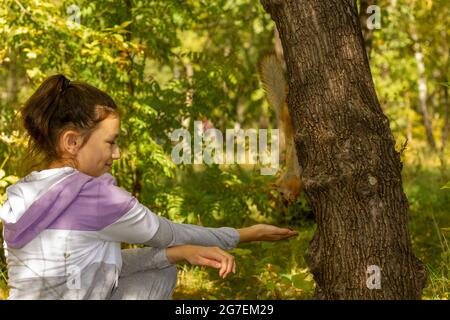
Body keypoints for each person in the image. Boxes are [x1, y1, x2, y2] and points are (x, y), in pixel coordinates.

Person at [0, 75, 298, 300]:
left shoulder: (22, 195)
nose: (116, 154)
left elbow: (88, 267)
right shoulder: (94, 197)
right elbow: (166, 233)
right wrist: (245, 234)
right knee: (161, 276)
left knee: (162, 266)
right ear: (72, 142)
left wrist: (180, 253)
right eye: (111, 142)